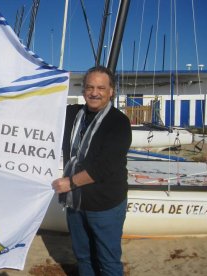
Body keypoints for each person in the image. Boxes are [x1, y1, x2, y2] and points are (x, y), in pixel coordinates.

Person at [52, 66, 132, 276]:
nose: (94, 92)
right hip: (75, 203)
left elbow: (105, 166)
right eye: (89, 87)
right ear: (83, 90)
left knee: (108, 261)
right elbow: (42, 112)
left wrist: (69, 182)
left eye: (100, 88)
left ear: (111, 91)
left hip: (105, 205)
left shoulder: (118, 122)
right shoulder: (73, 114)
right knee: (83, 257)